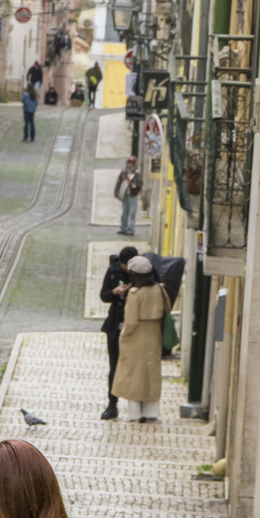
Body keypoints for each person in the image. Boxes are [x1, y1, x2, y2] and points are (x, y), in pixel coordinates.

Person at [111, 254, 169, 422]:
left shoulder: (135, 293)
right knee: (151, 372)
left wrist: (124, 334)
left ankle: (135, 412)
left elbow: (131, 321)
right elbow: (166, 309)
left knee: (134, 374)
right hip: (154, 333)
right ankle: (152, 411)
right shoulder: (159, 289)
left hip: (136, 335)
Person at [99, 245, 134, 420]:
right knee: (114, 365)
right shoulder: (113, 271)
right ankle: (112, 404)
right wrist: (115, 291)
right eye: (125, 266)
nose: (128, 270)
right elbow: (104, 295)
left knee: (135, 367)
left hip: (135, 325)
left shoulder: (143, 273)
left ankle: (138, 407)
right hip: (115, 323)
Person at [114, 154, 141, 237]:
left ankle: (131, 229)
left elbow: (139, 184)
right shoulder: (123, 172)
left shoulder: (136, 174)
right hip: (125, 195)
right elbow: (119, 182)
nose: (129, 165)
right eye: (128, 163)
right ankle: (123, 227)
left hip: (132, 195)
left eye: (131, 163)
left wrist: (133, 184)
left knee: (132, 212)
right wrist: (116, 192)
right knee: (125, 212)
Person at [20, 77, 38, 143]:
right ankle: (32, 137)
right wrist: (33, 108)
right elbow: (36, 103)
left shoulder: (26, 94)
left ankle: (25, 137)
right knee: (32, 123)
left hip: (26, 110)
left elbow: (22, 100)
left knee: (26, 124)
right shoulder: (35, 95)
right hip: (32, 111)